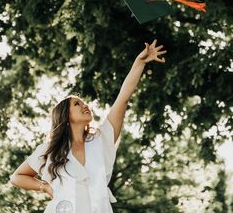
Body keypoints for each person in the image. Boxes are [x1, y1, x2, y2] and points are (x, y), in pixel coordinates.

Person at [9, 39, 167, 213]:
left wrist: (140, 62)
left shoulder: (101, 139)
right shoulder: (49, 150)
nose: (85, 106)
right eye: (77, 104)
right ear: (65, 117)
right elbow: (17, 177)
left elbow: (123, 98)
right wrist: (44, 187)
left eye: (84, 103)